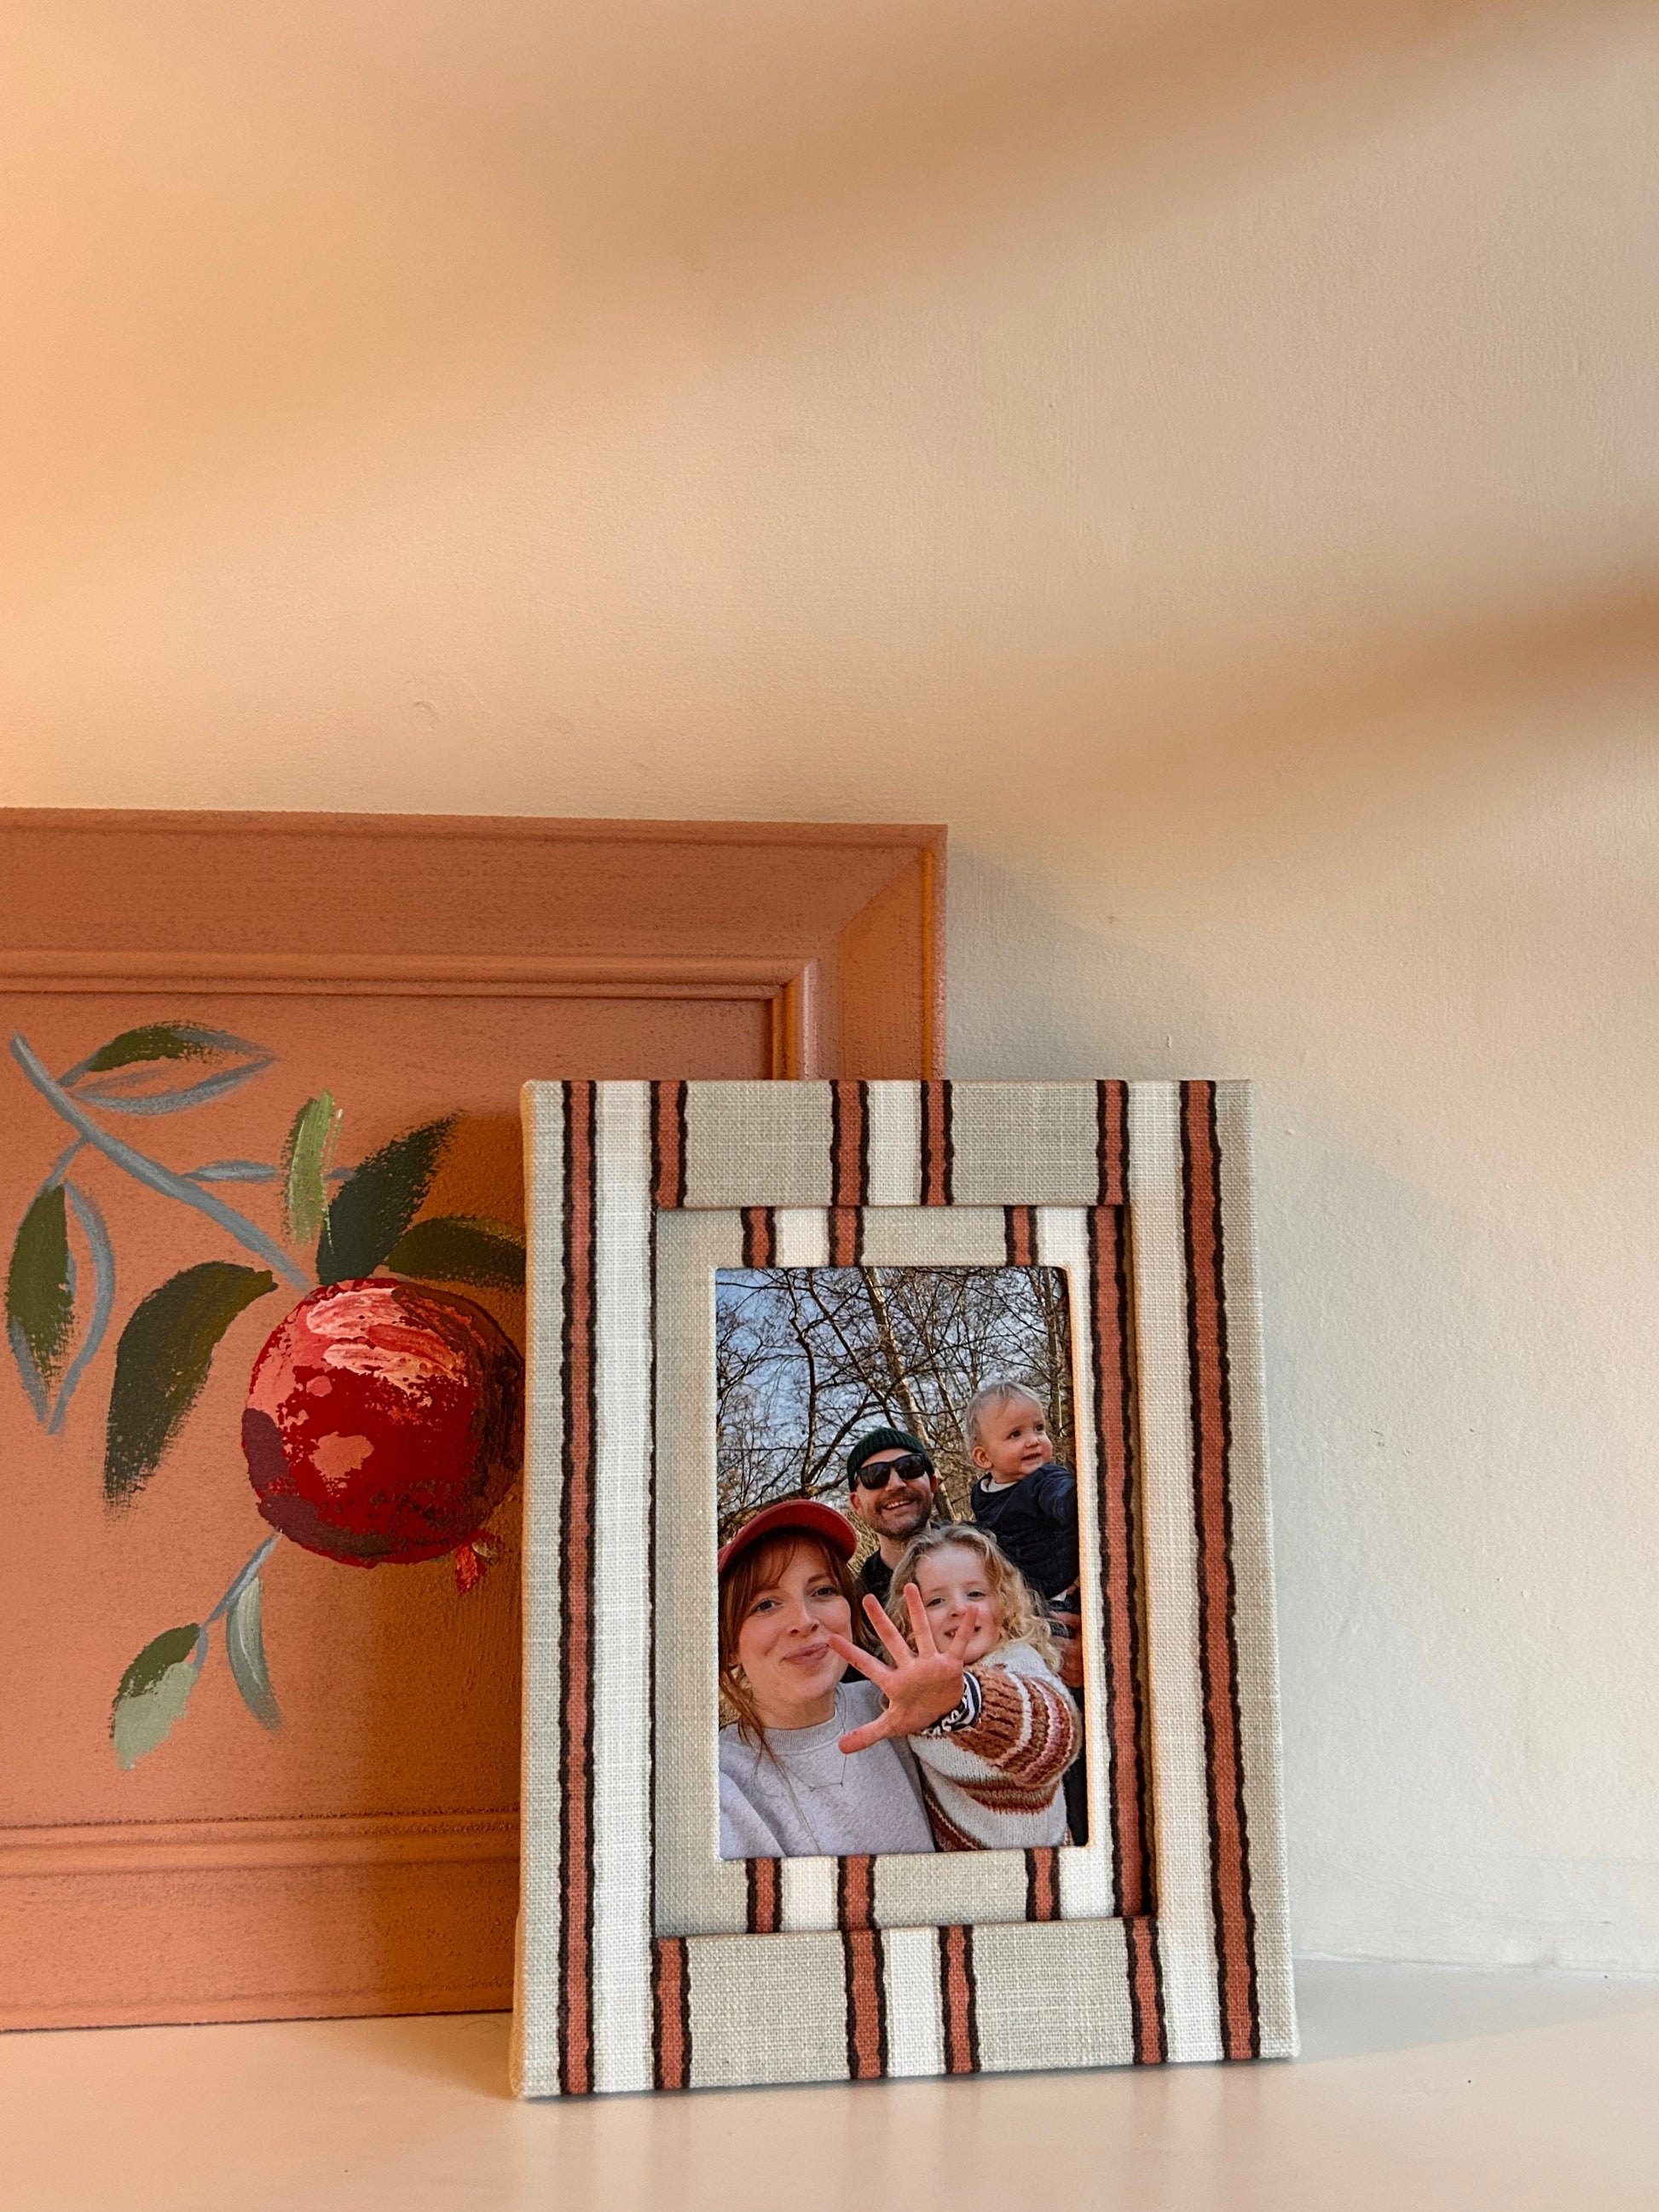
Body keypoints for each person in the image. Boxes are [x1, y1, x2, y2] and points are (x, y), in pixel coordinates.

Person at [717, 1496, 952, 1859]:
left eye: (823, 1591)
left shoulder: (894, 1707)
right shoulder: (717, 1785)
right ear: (730, 1644)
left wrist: (957, 1716)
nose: (804, 1621)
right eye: (765, 1604)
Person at [884, 1524, 1080, 1850]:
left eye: (975, 1594)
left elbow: (1057, 1737)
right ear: (910, 1620)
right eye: (936, 1600)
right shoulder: (912, 1688)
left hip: (1042, 1866)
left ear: (1004, 1604)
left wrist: (967, 1700)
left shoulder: (1016, 1659)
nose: (959, 1608)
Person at [966, 1380, 1089, 1842]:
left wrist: (1081, 1499)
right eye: (1015, 1434)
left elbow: (1069, 1500)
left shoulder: (1045, 1481)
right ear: (984, 1458)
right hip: (1029, 1615)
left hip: (1064, 1600)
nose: (1034, 1441)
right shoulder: (984, 1496)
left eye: (1039, 1428)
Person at [844, 1425, 941, 1608]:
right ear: (857, 1504)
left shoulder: (986, 1553)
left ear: (932, 1484)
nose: (895, 1484)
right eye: (874, 1475)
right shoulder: (856, 1609)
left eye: (910, 1466)